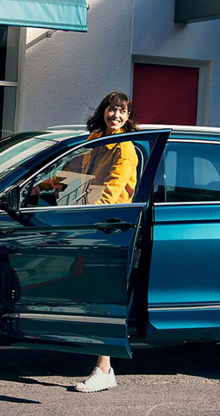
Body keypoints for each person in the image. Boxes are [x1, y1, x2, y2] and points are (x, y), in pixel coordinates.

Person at [73, 91, 140, 393]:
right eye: (112, 110)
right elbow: (72, 176)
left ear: (128, 117)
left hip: (109, 228)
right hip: (92, 224)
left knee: (104, 296)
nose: (116, 116)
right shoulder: (94, 141)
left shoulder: (124, 149)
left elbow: (111, 192)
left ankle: (104, 368)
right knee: (91, 293)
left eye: (122, 112)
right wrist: (45, 193)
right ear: (104, 111)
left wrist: (86, 216)